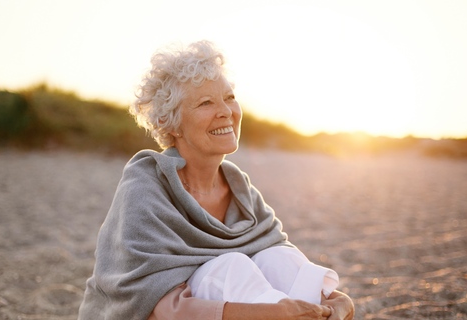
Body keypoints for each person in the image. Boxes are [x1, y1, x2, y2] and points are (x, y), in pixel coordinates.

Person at [78, 40, 354, 320]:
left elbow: (286, 264)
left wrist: (338, 301)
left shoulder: (239, 188)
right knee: (231, 266)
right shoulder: (145, 187)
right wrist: (270, 313)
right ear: (171, 124)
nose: (226, 111)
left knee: (278, 257)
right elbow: (161, 307)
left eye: (230, 97)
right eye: (206, 102)